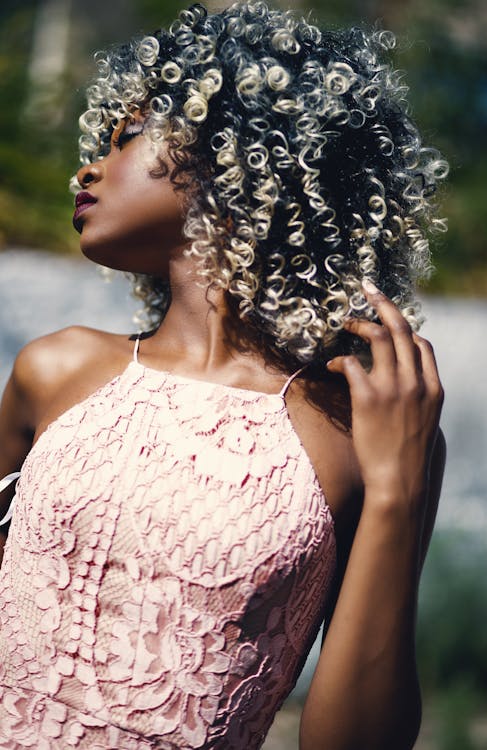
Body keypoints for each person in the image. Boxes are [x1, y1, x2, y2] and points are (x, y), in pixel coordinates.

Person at [0, 2, 448, 748]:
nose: (89, 165)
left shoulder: (357, 429)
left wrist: (399, 491)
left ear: (241, 161)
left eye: (127, 137)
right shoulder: (58, 370)